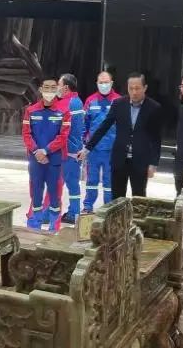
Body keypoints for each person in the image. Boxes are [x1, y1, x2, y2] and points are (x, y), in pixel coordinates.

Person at [78, 72, 162, 199]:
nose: (134, 92)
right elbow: (104, 127)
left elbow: (156, 139)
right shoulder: (118, 104)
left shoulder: (154, 108)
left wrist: (153, 164)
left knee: (139, 197)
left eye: (137, 88)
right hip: (119, 158)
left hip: (140, 160)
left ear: (145, 88)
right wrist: (87, 148)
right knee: (117, 197)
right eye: (131, 88)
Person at [23, 78, 71, 232]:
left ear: (58, 90)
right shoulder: (30, 111)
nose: (49, 91)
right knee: (36, 194)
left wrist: (46, 151)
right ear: (40, 89)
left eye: (53, 88)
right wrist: (36, 151)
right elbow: (26, 134)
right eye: (46, 87)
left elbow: (63, 137)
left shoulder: (64, 112)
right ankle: (34, 227)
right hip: (35, 160)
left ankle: (53, 228)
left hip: (54, 161)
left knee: (54, 195)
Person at [83, 71, 120, 211]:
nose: (104, 85)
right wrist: (83, 144)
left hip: (112, 150)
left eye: (106, 82)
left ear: (112, 83)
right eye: (101, 82)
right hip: (93, 150)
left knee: (109, 182)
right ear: (97, 84)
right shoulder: (90, 101)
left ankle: (108, 208)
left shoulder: (119, 101)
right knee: (91, 180)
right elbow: (84, 125)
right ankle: (88, 206)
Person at [56, 74, 85, 224]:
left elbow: (60, 129)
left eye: (59, 85)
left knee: (64, 183)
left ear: (66, 87)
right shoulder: (78, 101)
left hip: (67, 151)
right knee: (71, 183)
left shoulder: (67, 104)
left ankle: (72, 213)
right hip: (75, 149)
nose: (57, 87)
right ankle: (73, 212)